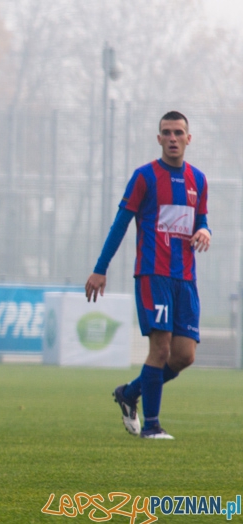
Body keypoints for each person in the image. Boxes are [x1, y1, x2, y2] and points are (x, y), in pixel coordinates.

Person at [85, 111, 211, 440]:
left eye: (178, 132)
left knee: (184, 356)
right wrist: (101, 268)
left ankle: (129, 393)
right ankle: (152, 426)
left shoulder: (199, 180)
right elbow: (120, 224)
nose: (172, 138)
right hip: (153, 274)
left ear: (188, 138)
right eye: (166, 133)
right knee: (160, 349)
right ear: (159, 139)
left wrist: (205, 231)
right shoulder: (145, 177)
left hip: (185, 279)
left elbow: (201, 221)